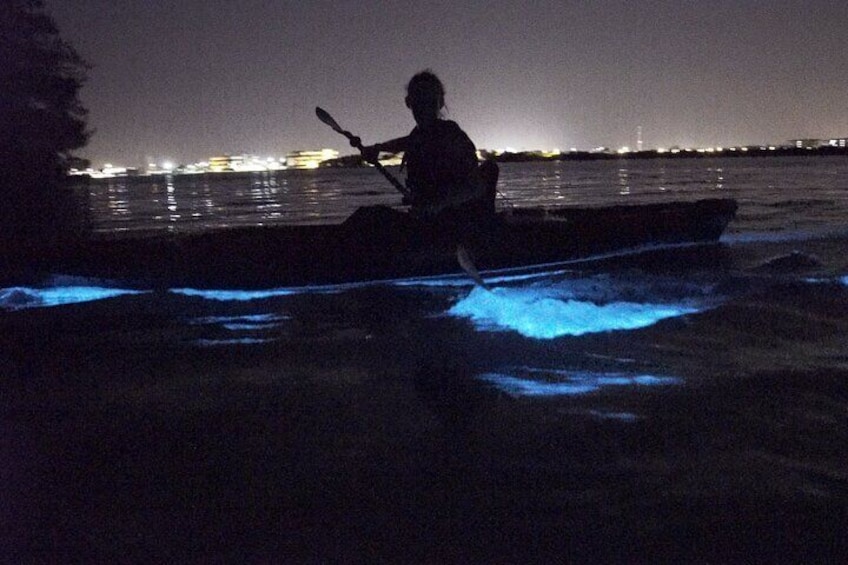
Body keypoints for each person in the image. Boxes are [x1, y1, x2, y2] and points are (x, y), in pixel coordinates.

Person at [360, 70, 498, 222]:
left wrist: (438, 204)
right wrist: (377, 148)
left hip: (454, 223)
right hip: (426, 220)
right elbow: (405, 143)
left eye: (430, 100)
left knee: (369, 218)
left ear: (440, 103)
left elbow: (475, 186)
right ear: (409, 103)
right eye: (418, 100)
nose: (424, 107)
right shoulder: (418, 136)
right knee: (368, 216)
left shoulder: (451, 135)